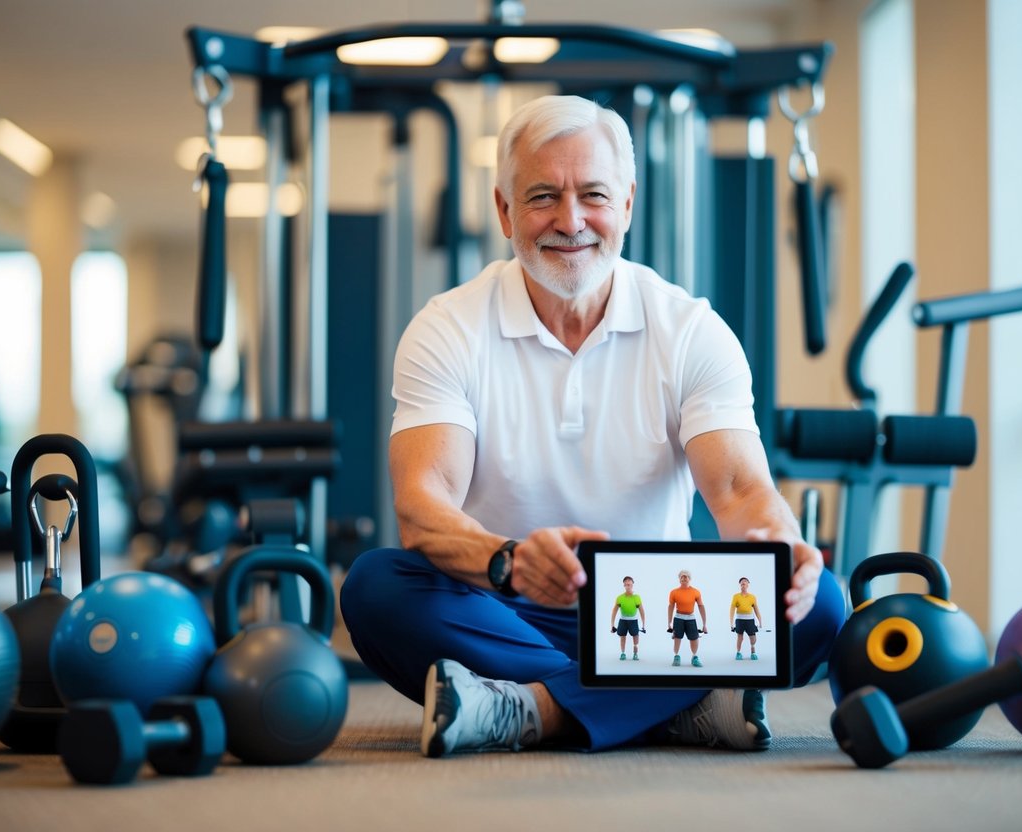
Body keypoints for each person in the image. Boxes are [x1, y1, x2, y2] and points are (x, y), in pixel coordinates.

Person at [340, 93, 845, 758]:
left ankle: (530, 710)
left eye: (593, 196)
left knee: (818, 605)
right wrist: (511, 562)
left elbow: (740, 492)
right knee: (376, 586)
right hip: (501, 609)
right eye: (543, 195)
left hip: (658, 612)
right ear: (504, 210)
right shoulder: (448, 328)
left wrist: (782, 548)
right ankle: (676, 703)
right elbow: (421, 508)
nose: (570, 220)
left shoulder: (690, 331)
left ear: (627, 204)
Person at [667, 570, 707, 667]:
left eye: (686, 576)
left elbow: (701, 606)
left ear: (689, 579)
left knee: (694, 638)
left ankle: (694, 657)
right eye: (682, 576)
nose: (684, 578)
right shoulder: (674, 592)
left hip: (690, 618)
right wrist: (669, 622)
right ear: (679, 579)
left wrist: (704, 624)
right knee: (677, 638)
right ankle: (676, 656)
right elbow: (671, 607)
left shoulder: (695, 592)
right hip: (678, 618)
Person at [609, 576, 645, 660]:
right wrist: (612, 624)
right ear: (624, 585)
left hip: (633, 621)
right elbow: (614, 611)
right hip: (623, 620)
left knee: (635, 636)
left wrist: (643, 624)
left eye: (629, 582)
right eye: (626, 583)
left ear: (632, 584)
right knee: (622, 637)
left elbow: (642, 611)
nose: (628, 584)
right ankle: (623, 653)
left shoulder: (636, 597)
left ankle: (635, 654)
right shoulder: (620, 598)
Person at [730, 577, 763, 661]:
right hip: (740, 620)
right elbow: (732, 610)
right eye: (741, 582)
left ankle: (753, 651)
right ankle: (738, 653)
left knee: (753, 638)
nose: (743, 583)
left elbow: (756, 610)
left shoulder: (752, 597)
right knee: (740, 637)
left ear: (748, 584)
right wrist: (731, 623)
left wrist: (760, 621)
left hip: (750, 620)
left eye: (745, 581)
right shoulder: (736, 596)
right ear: (740, 585)